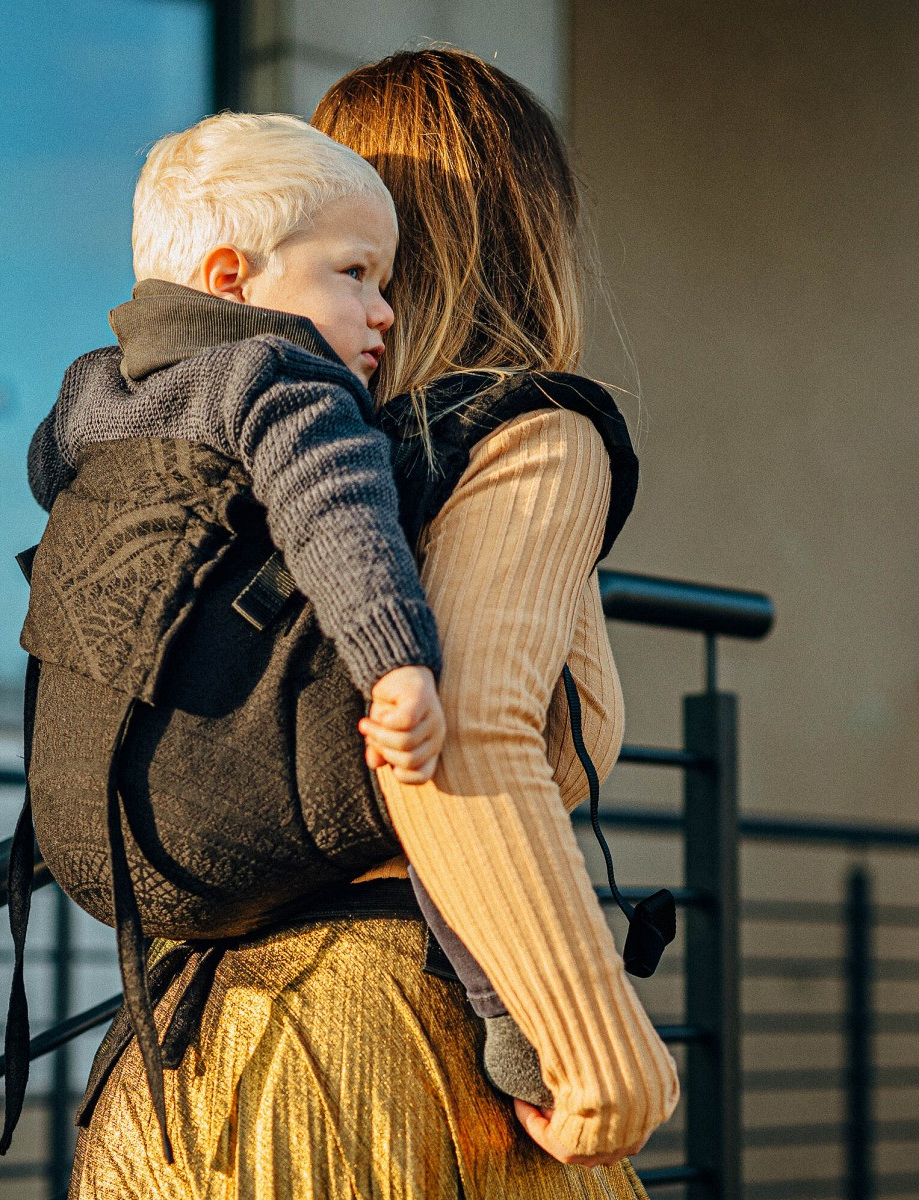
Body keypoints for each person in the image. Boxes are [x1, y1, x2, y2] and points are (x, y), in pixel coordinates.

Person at [64, 49, 679, 1200]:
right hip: (379, 1062)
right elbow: (473, 740)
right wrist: (605, 1062)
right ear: (530, 229)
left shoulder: (237, 444)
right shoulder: (520, 435)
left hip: (174, 1071)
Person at [25, 109, 553, 1115]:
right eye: (356, 274)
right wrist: (400, 670)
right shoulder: (283, 377)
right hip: (239, 815)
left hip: (94, 838)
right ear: (231, 282)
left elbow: (49, 483)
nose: (385, 312)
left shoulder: (89, 393)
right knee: (429, 771)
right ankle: (510, 1019)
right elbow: (342, 524)